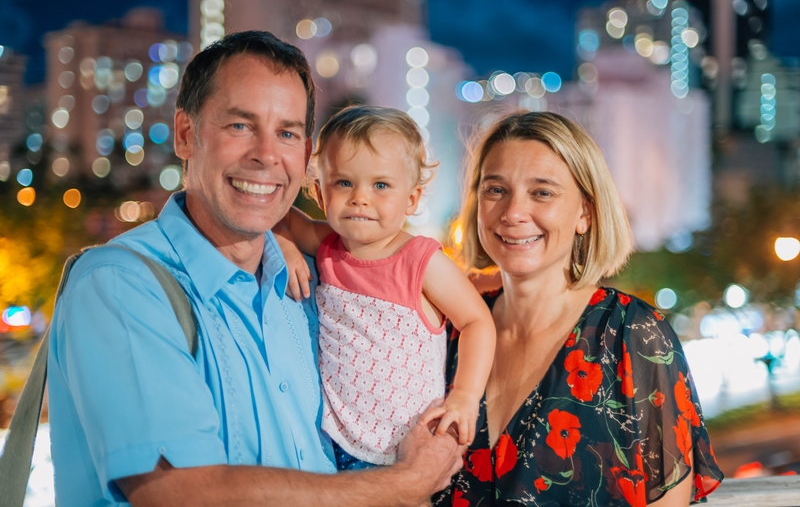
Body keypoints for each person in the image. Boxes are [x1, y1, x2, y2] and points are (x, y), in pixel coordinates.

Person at [47, 31, 462, 507]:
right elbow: (182, 494)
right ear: (186, 134)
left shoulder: (308, 280)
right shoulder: (121, 286)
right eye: (240, 126)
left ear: (305, 157)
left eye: (286, 133)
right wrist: (406, 484)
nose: (266, 155)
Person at [434, 111, 723, 506]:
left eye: (542, 192)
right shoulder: (447, 332)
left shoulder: (632, 335)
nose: (513, 212)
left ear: (584, 213)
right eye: (495, 189)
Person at [276, 106, 496, 471]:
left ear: (411, 199)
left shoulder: (420, 260)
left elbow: (476, 321)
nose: (360, 197)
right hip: (331, 441)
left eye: (380, 185)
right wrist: (284, 242)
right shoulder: (326, 245)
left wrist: (465, 396)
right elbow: (277, 213)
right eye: (344, 183)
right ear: (319, 192)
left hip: (405, 451)